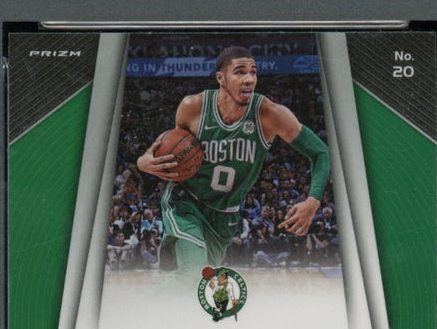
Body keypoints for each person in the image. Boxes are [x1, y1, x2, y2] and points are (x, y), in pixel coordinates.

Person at [136, 46, 330, 275]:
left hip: (224, 217)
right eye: (240, 72)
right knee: (193, 273)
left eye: (253, 72)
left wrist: (313, 201)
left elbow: (320, 153)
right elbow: (172, 144)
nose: (249, 79)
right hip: (186, 203)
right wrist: (143, 160)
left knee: (197, 283)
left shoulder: (270, 114)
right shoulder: (193, 107)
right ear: (221, 78)